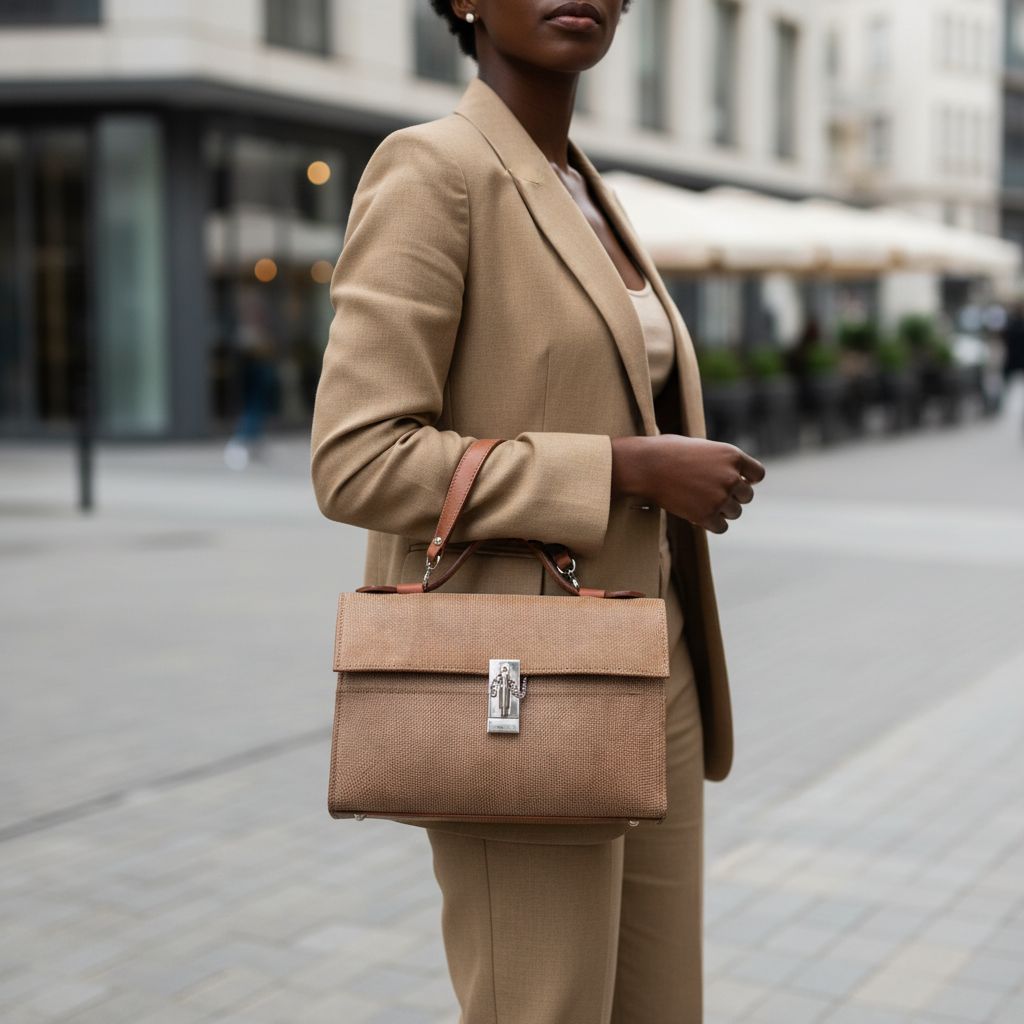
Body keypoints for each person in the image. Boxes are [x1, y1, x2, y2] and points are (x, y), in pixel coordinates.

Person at [309, 3, 765, 1021]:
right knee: (542, 1004)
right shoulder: (432, 171)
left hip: (654, 657)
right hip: (518, 681)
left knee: (659, 1005)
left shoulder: (585, 188)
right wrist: (622, 469)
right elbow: (355, 456)